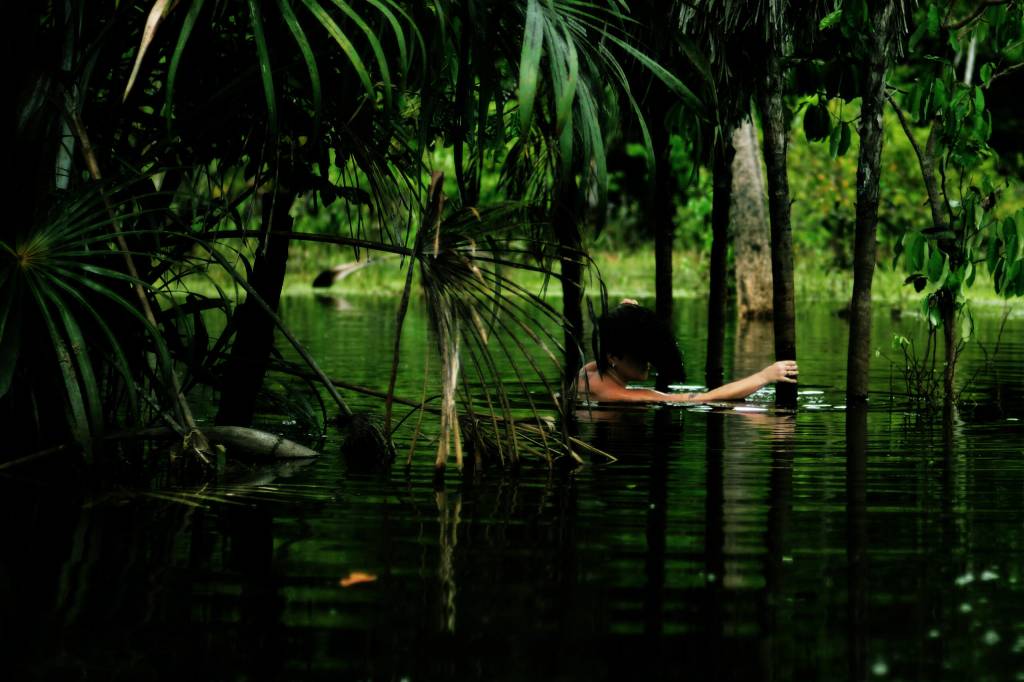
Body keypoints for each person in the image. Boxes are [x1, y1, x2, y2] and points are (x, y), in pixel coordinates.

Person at [575, 300, 798, 403]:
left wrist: (626, 312)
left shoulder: (586, 374)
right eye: (642, 357)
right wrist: (764, 376)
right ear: (614, 357)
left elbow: (611, 338)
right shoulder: (619, 396)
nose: (649, 363)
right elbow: (703, 398)